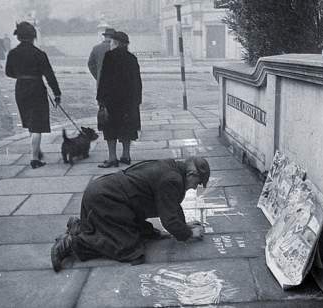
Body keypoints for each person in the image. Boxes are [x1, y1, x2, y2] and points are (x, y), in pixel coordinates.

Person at [51, 156, 210, 272]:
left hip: (104, 194)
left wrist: (183, 226)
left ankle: (80, 227)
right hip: (107, 200)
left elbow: (171, 204)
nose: (195, 188)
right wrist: (188, 233)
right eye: (197, 183)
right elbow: (169, 219)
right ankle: (72, 244)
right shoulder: (172, 180)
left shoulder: (173, 168)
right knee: (129, 249)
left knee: (143, 234)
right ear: (192, 174)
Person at [5, 22, 62, 169]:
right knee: (37, 124)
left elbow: (8, 73)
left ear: (18, 36)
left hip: (21, 88)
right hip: (36, 88)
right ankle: (35, 158)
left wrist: (21, 76)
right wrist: (57, 93)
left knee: (30, 122)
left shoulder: (12, 53)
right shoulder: (39, 54)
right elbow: (50, 75)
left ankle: (36, 150)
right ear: (33, 37)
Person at [96, 31, 142, 168]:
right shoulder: (132, 58)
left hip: (112, 99)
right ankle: (126, 156)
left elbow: (104, 79)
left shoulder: (109, 57)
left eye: (112, 41)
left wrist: (100, 98)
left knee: (110, 128)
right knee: (127, 126)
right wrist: (137, 100)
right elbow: (137, 81)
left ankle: (112, 158)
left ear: (116, 42)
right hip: (129, 100)